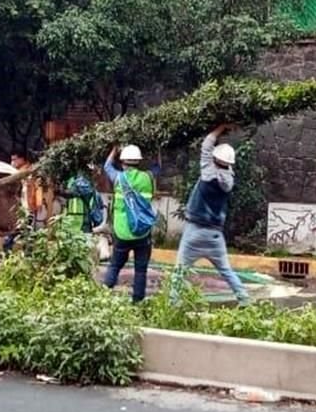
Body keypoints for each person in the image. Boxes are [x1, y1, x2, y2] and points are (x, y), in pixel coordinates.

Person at [171, 125, 251, 305]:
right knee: (226, 271)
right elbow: (224, 165)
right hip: (215, 235)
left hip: (195, 231)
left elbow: (206, 145)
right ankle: (244, 299)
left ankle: (173, 303)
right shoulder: (229, 180)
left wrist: (219, 128)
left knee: (179, 271)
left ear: (214, 158)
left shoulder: (208, 172)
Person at [102, 144, 155, 303]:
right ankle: (137, 302)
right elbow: (157, 167)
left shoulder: (118, 178)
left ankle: (103, 295)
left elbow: (107, 166)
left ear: (123, 162)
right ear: (139, 161)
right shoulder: (148, 177)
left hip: (122, 232)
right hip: (143, 231)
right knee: (141, 270)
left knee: (115, 265)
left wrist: (113, 150)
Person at [3, 150, 42, 254]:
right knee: (24, 233)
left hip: (27, 209)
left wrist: (35, 205)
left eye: (14, 159)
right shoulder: (17, 173)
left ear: (22, 160)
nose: (12, 162)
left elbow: (36, 191)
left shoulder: (28, 173)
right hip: (22, 209)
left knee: (21, 232)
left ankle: (12, 251)